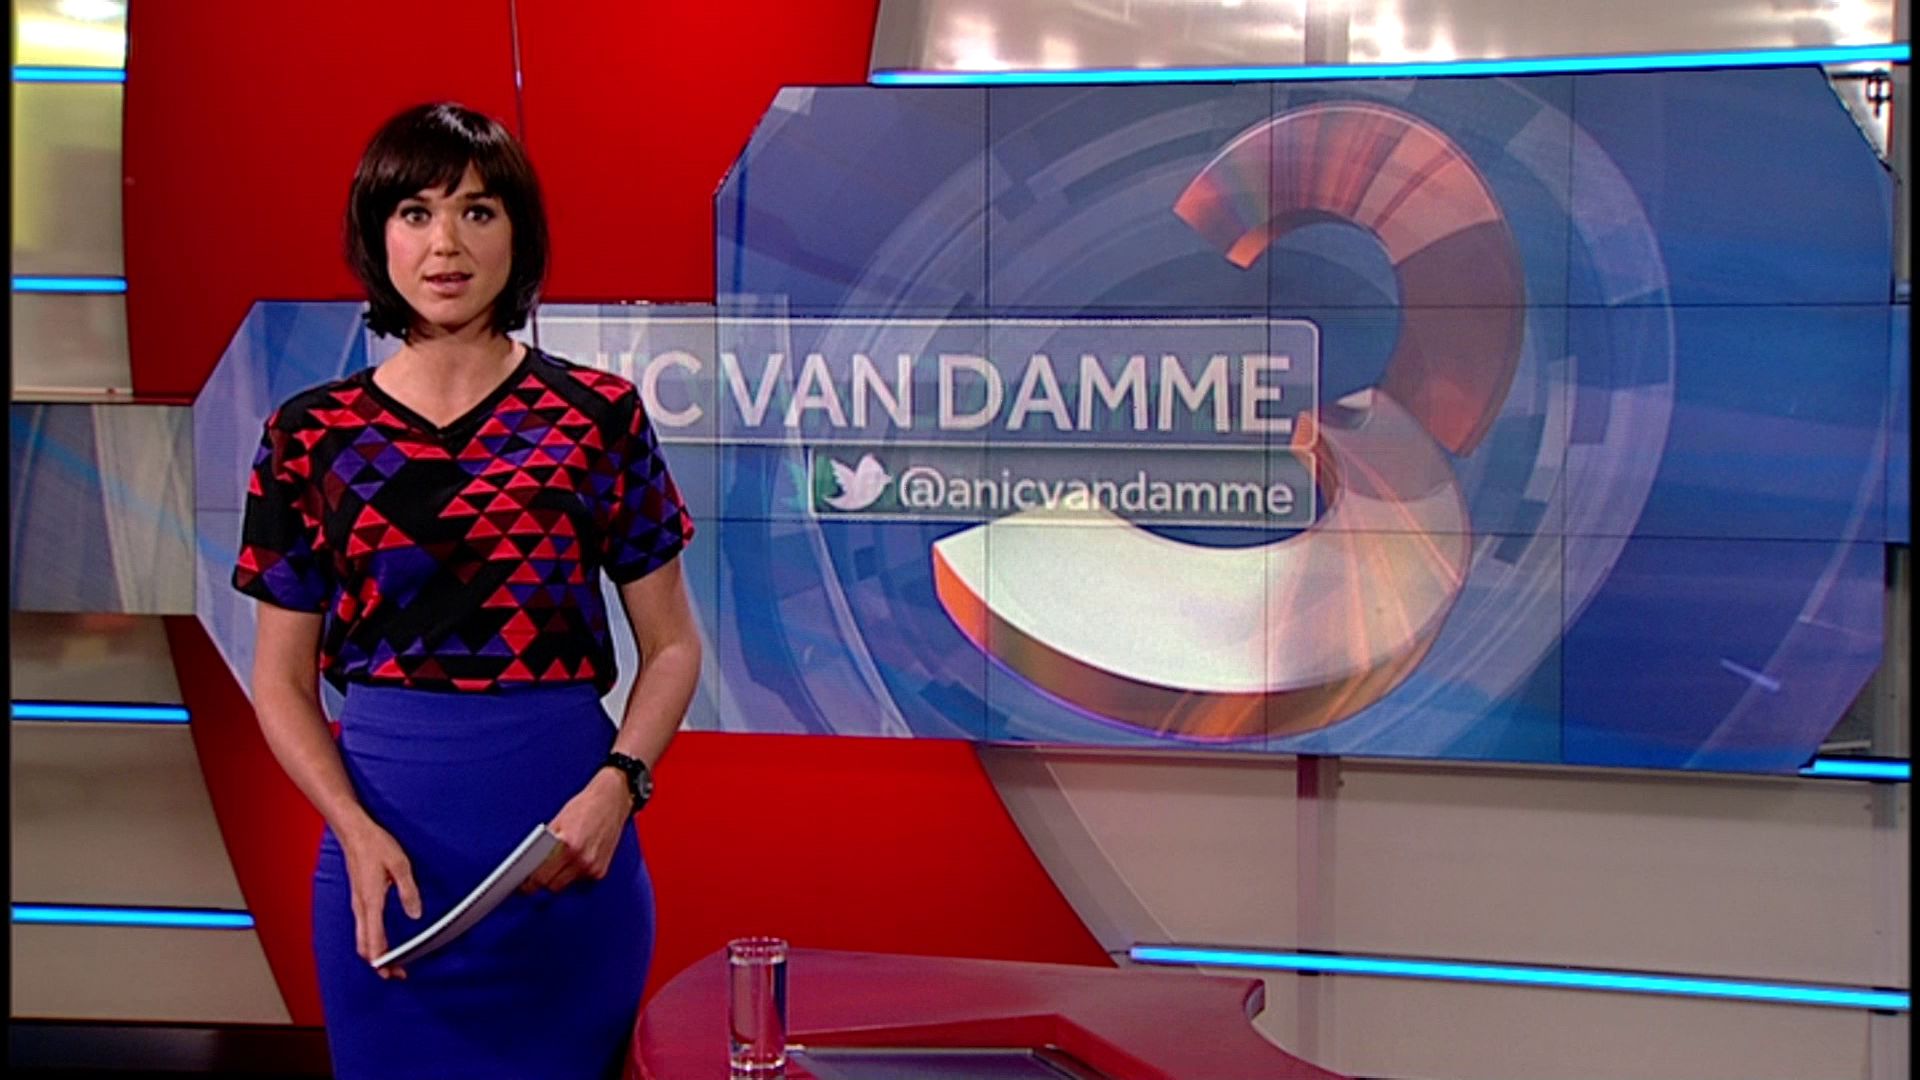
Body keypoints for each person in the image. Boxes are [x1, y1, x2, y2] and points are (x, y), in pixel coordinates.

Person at [231, 102, 699, 1080]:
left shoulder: (597, 416)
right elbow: (280, 680)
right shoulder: (308, 436)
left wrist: (620, 787)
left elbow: (672, 647)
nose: (445, 243)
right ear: (378, 237)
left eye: (477, 211)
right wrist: (352, 827)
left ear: (517, 234)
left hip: (568, 861)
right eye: (416, 212)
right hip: (385, 866)